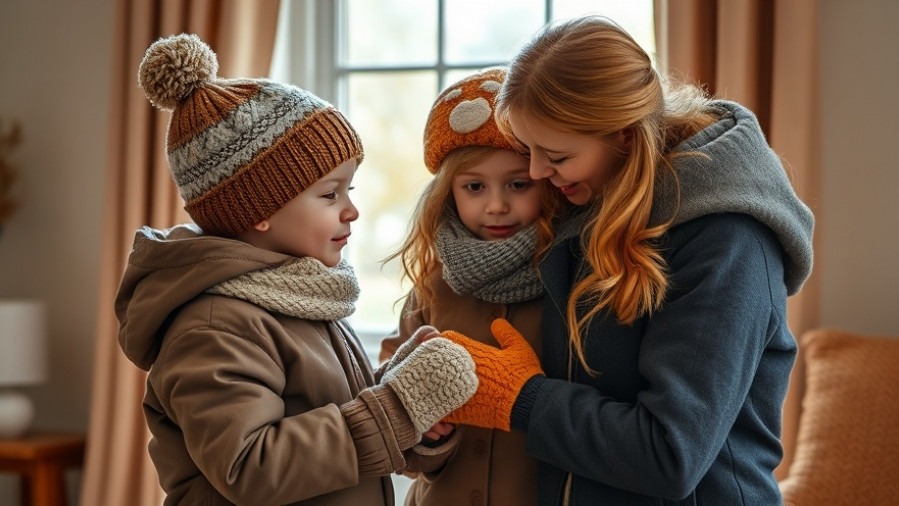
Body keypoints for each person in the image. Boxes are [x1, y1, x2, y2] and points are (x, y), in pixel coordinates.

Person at [438, 15, 816, 505]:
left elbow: (669, 454)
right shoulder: (597, 202)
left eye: (554, 154)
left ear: (624, 137)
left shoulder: (728, 241)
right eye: (528, 150)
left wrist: (521, 398)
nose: (536, 171)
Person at [115, 33, 478, 506]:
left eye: (351, 190)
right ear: (258, 210)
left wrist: (413, 411)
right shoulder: (213, 325)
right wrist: (396, 407)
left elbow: (331, 422)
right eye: (330, 194)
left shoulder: (300, 296)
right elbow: (250, 468)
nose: (351, 211)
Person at [379, 67, 562, 506]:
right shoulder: (432, 288)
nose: (496, 205)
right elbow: (388, 400)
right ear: (449, 192)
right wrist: (422, 433)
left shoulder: (570, 280)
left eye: (518, 184)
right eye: (474, 186)